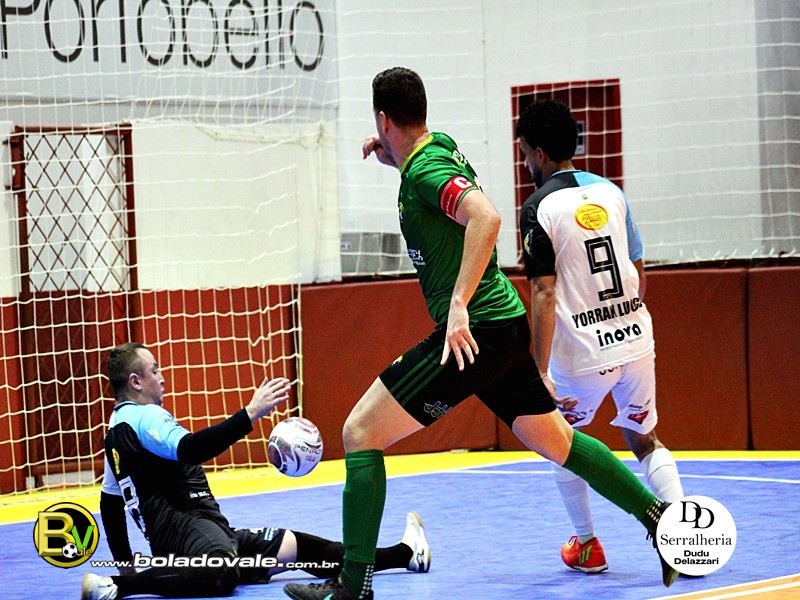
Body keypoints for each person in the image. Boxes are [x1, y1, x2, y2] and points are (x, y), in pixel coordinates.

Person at [283, 67, 678, 600]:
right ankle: (659, 519)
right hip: (506, 327)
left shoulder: (425, 168)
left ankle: (353, 585)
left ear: (383, 118)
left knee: (360, 433)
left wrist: (458, 305)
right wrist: (392, 155)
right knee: (558, 441)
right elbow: (439, 184)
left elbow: (486, 218)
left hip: (477, 333)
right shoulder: (434, 149)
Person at [81, 342, 430, 600]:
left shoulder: (116, 433)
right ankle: (117, 586)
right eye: (155, 370)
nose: (162, 377)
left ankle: (406, 553)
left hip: (206, 533)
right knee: (220, 572)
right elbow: (192, 449)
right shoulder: (145, 417)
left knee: (300, 547)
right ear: (135, 382)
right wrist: (250, 414)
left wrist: (125, 561)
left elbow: (110, 504)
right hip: (190, 531)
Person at [516, 98, 685, 574]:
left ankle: (588, 545)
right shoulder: (611, 192)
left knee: (559, 441)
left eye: (525, 154)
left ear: (540, 153)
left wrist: (540, 369)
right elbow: (638, 272)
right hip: (635, 340)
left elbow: (544, 291)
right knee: (645, 439)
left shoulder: (537, 207)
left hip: (581, 354)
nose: (526, 164)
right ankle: (683, 534)